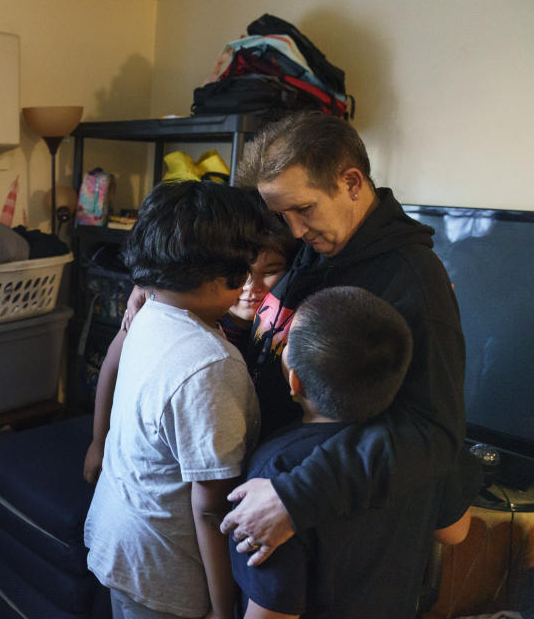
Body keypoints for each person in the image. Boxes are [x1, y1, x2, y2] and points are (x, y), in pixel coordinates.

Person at [218, 111, 471, 567]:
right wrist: (158, 283)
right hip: (270, 478)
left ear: (352, 182)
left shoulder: (414, 281)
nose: (293, 230)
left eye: (304, 210)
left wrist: (297, 496)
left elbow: (433, 433)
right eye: (282, 214)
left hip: (325, 529)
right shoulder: (319, 243)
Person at [230, 286, 478, 619]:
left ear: (296, 382)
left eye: (288, 342)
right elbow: (455, 531)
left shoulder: (275, 474)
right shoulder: (422, 447)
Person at [84, 179, 264, 619]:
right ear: (227, 276)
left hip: (119, 536)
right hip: (164, 569)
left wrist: (97, 441)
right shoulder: (210, 366)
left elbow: (111, 361)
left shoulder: (146, 309)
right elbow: (209, 510)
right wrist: (224, 609)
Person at [83, 213, 298, 484]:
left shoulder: (279, 325)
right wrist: (98, 443)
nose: (251, 287)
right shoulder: (187, 314)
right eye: (242, 272)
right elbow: (111, 366)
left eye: (270, 272)